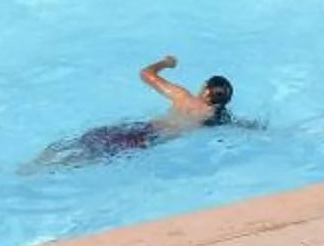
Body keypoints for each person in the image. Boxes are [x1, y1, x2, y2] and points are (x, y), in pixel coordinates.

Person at [31, 54, 237, 168]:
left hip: (141, 128)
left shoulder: (183, 97)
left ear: (206, 89)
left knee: (85, 139)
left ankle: (36, 163)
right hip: (149, 141)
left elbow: (146, 73)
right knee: (91, 158)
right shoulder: (213, 117)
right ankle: (48, 169)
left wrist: (165, 63)